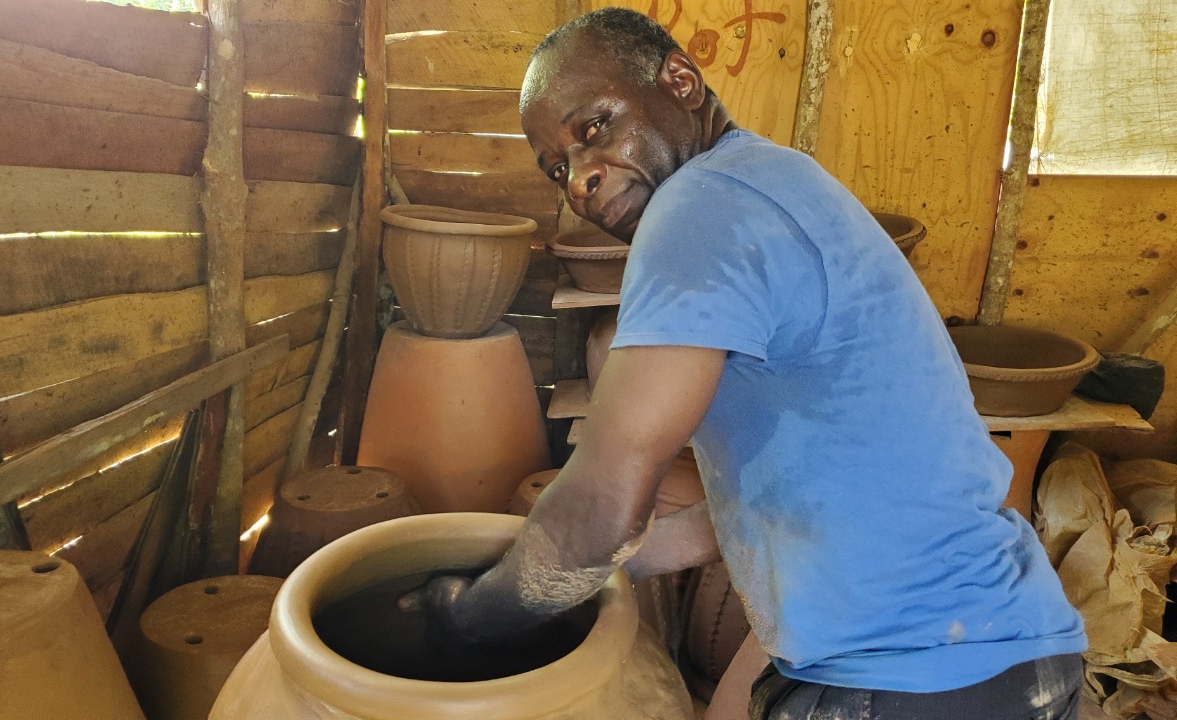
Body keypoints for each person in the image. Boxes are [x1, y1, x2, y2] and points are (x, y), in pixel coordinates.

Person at [415, 8, 1088, 719]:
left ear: (681, 81)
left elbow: (602, 500)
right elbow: (810, 481)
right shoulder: (770, 179)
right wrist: (637, 557)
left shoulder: (698, 205)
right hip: (1011, 651)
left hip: (919, 678)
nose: (579, 178)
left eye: (594, 129)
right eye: (558, 168)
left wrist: (464, 620)